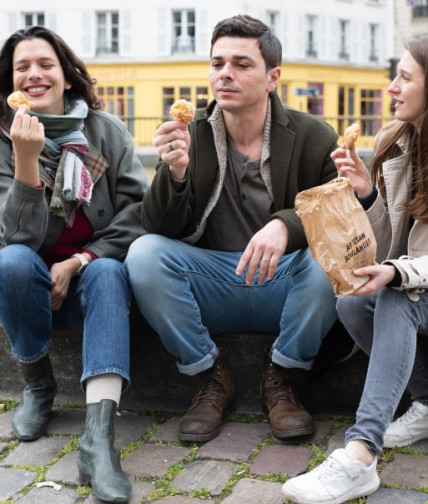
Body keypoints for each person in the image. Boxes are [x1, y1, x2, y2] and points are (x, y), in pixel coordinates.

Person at [125, 14, 338, 443]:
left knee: (325, 259)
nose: (225, 73)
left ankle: (283, 378)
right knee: (144, 254)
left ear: (272, 77)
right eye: (217, 62)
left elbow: (338, 211)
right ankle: (209, 376)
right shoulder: (191, 134)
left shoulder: (314, 135)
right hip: (214, 282)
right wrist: (176, 172)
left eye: (241, 64)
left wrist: (286, 226)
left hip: (286, 283)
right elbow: (156, 226)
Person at [0, 26, 149, 503]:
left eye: (46, 64)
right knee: (11, 262)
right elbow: (15, 237)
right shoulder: (4, 142)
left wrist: (82, 260)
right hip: (29, 290)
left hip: (90, 283)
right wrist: (26, 163)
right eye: (21, 67)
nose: (34, 74)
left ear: (66, 76)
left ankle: (97, 440)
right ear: (11, 85)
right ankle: (38, 386)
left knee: (109, 271)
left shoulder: (105, 131)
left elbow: (139, 213)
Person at [282, 34, 428, 504]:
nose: (391, 88)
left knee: (394, 294)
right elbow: (388, 244)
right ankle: (425, 403)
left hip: (418, 287)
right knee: (352, 303)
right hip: (418, 285)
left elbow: (403, 268)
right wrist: (368, 196)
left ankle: (361, 454)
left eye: (405, 77)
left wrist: (399, 274)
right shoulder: (396, 139)